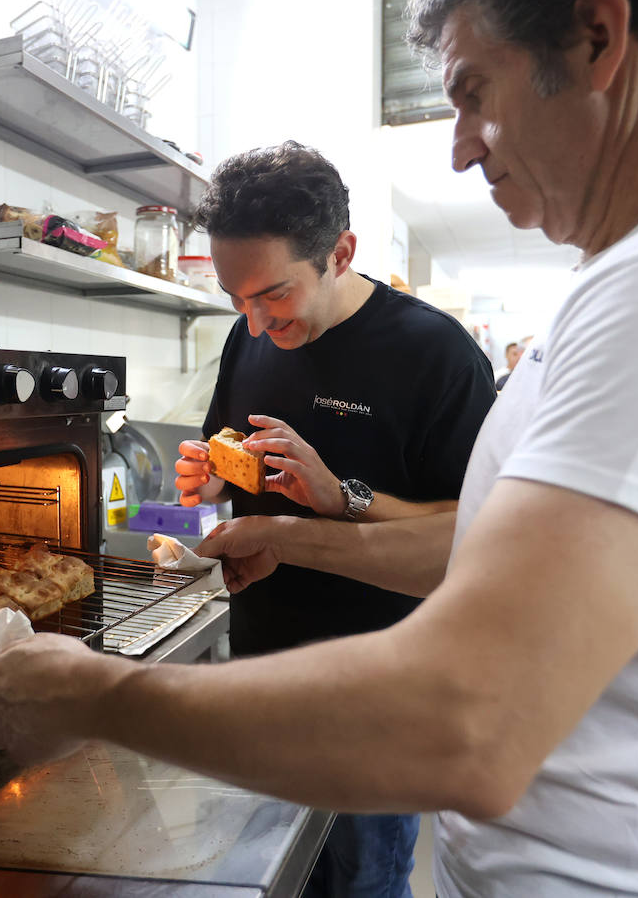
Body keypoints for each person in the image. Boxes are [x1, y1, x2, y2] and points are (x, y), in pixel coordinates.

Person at [0, 0, 638, 896]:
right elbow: (479, 553)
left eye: (473, 93)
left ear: (599, 36)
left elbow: (475, 718)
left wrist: (95, 696)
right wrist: (280, 534)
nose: (461, 147)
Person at [172, 141, 497, 897]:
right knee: (262, 881)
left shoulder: (435, 354)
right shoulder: (248, 335)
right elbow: (229, 456)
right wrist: (210, 477)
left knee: (363, 884)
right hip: (260, 674)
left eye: (273, 295)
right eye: (236, 298)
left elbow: (474, 529)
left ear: (340, 254)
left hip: (378, 695)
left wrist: (343, 494)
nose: (255, 323)